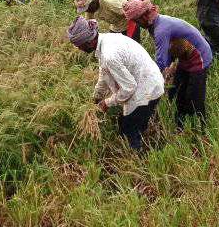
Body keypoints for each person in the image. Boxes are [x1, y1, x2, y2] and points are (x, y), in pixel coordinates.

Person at [67, 17, 164, 153]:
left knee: (128, 129)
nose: (78, 49)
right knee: (130, 123)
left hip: (146, 90)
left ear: (88, 42)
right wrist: (96, 97)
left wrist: (107, 102)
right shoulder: (106, 39)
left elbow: (129, 88)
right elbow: (104, 73)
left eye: (79, 46)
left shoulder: (109, 55)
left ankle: (138, 158)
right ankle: (143, 141)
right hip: (149, 81)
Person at [122, 0, 213, 129]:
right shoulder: (156, 24)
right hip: (185, 57)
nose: (137, 25)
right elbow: (169, 51)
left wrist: (145, 84)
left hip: (199, 58)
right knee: (175, 93)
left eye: (136, 21)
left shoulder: (161, 30)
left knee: (194, 98)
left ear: (142, 18)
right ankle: (180, 124)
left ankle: (200, 129)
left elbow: (161, 62)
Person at [74, 0, 140, 42]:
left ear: (93, 2)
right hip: (116, 26)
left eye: (87, 8)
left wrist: (130, 37)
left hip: (129, 22)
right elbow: (89, 24)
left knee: (133, 47)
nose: (87, 11)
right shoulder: (90, 8)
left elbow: (131, 16)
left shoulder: (111, 3)